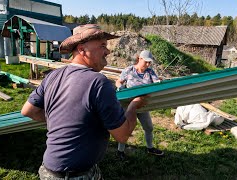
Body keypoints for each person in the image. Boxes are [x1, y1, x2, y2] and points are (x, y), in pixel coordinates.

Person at [21, 24, 147, 180]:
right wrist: (134, 105)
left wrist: (61, 123)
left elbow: (28, 110)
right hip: (77, 176)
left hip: (47, 171)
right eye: (102, 45)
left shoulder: (53, 76)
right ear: (81, 50)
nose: (107, 51)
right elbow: (122, 136)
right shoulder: (99, 82)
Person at [115, 50, 164, 160]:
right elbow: (119, 81)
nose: (148, 64)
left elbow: (156, 82)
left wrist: (160, 83)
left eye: (149, 63)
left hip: (142, 105)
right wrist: (120, 87)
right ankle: (120, 151)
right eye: (146, 62)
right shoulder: (129, 70)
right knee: (126, 128)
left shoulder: (150, 72)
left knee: (149, 128)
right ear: (140, 59)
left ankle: (150, 148)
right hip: (128, 105)